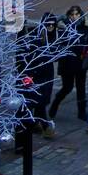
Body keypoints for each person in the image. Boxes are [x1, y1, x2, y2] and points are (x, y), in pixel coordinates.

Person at [17, 13, 58, 141]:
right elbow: (23, 56)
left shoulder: (54, 35)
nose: (50, 27)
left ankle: (36, 124)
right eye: (48, 25)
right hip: (34, 74)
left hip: (46, 73)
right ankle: (44, 126)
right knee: (35, 103)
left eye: (52, 25)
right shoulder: (35, 36)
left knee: (40, 102)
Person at [49, 5, 88, 121]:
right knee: (67, 87)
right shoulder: (62, 27)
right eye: (72, 15)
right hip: (67, 63)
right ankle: (55, 104)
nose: (74, 17)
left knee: (81, 87)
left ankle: (82, 112)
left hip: (80, 62)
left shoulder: (84, 27)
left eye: (77, 14)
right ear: (68, 15)